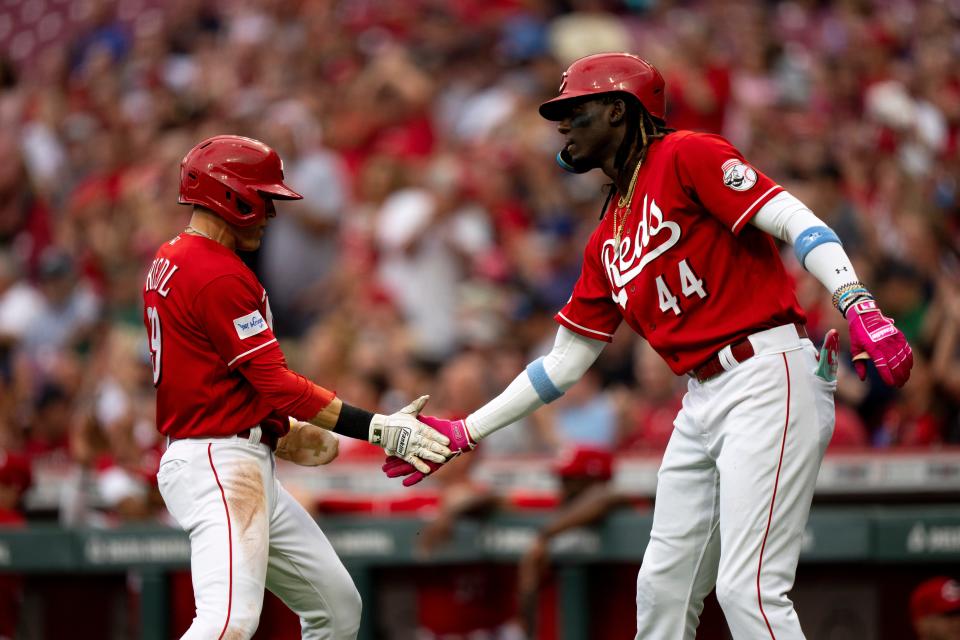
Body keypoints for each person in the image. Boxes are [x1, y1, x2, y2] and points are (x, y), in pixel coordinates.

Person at [383, 53, 913, 639]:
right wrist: (467, 430)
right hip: (701, 398)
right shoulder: (606, 234)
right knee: (661, 588)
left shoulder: (687, 154)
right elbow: (562, 363)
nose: (562, 126)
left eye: (574, 111)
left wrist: (856, 299)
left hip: (765, 374)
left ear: (618, 109)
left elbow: (792, 218)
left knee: (749, 590)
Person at [145, 135, 452, 640]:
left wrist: (276, 430)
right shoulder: (216, 272)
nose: (269, 212)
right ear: (231, 195)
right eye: (263, 198)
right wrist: (377, 428)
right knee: (228, 624)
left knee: (336, 607)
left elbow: (210, 375)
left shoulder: (172, 256)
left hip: (229, 451)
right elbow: (278, 384)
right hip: (220, 462)